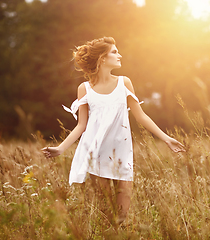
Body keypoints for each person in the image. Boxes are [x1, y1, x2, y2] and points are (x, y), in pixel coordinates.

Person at [41, 37, 185, 226]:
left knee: (122, 217)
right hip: (97, 155)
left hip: (122, 154)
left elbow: (141, 116)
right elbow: (81, 125)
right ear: (102, 58)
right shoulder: (84, 89)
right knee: (106, 215)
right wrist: (60, 149)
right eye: (115, 52)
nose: (120, 55)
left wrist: (167, 139)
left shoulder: (124, 83)